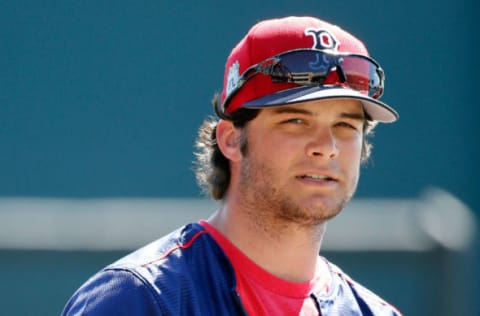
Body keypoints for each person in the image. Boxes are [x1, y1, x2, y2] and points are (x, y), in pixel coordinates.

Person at [62, 16, 402, 315]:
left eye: (345, 126)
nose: (326, 147)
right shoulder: (142, 299)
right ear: (230, 139)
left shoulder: (372, 312)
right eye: (296, 121)